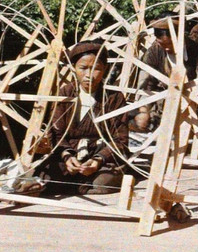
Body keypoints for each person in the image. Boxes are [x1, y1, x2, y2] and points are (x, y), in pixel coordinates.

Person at [17, 40, 129, 195]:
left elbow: (120, 139)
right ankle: (72, 182)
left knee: (103, 182)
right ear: (73, 68)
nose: (89, 75)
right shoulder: (65, 94)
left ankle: (76, 183)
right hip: (70, 154)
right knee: (48, 175)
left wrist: (97, 161)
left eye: (96, 69)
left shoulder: (114, 98)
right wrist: (67, 156)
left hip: (100, 154)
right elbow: (56, 132)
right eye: (83, 68)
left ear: (105, 70)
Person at [131, 14, 198, 133]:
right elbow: (144, 85)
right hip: (162, 107)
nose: (167, 49)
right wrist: (143, 110)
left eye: (171, 44)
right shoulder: (154, 51)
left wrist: (192, 93)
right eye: (163, 44)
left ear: (181, 37)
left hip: (192, 109)